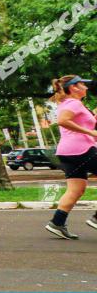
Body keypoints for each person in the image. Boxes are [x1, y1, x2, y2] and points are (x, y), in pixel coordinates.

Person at [44, 75, 97, 239]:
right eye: (83, 85)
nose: (87, 88)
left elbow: (84, 123)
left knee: (76, 189)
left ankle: (57, 223)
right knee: (75, 189)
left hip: (66, 152)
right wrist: (90, 132)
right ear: (74, 87)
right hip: (82, 149)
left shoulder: (68, 104)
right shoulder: (73, 103)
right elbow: (62, 121)